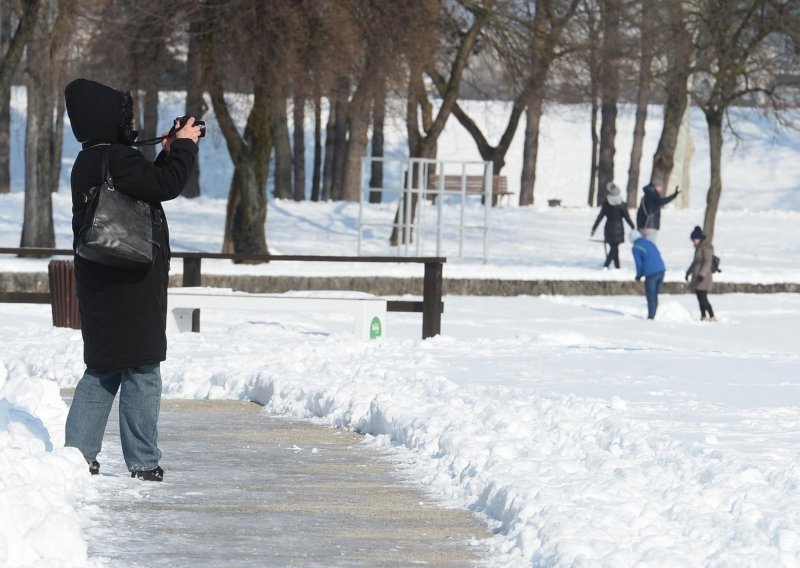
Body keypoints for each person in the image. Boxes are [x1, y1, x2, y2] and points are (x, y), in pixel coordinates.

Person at [63, 78, 201, 481]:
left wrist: (167, 150)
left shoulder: (91, 160)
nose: (131, 123)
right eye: (125, 116)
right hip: (132, 281)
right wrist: (186, 147)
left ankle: (77, 456)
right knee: (142, 368)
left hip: (100, 279)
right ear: (109, 119)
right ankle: (142, 461)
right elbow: (166, 186)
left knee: (103, 366)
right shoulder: (117, 158)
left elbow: (141, 192)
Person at [591, 182, 634, 269]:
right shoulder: (622, 204)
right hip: (619, 228)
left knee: (614, 248)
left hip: (609, 228)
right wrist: (633, 227)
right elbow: (627, 217)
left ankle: (617, 267)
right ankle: (606, 265)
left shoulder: (606, 204)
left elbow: (600, 217)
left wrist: (594, 228)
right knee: (614, 248)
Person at [629, 229, 666, 320]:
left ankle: (651, 316)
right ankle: (655, 313)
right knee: (655, 294)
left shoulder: (636, 247)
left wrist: (639, 275)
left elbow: (639, 263)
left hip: (651, 273)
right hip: (661, 269)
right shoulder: (650, 243)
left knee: (651, 295)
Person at [685, 225, 716, 321]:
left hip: (704, 277)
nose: (693, 242)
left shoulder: (706, 247)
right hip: (697, 276)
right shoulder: (698, 248)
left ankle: (711, 315)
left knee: (703, 297)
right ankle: (703, 315)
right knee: (699, 297)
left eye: (695, 239)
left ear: (700, 238)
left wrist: (702, 274)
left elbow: (707, 262)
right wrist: (688, 272)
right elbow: (695, 262)